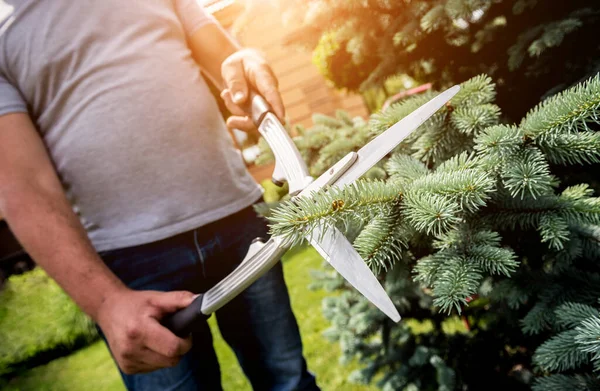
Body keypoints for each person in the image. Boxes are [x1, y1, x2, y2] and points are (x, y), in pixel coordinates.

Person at [0, 1, 320, 390]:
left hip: (238, 220)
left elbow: (229, 59)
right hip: (133, 266)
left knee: (289, 382)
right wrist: (106, 304)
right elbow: (24, 186)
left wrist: (248, 60)